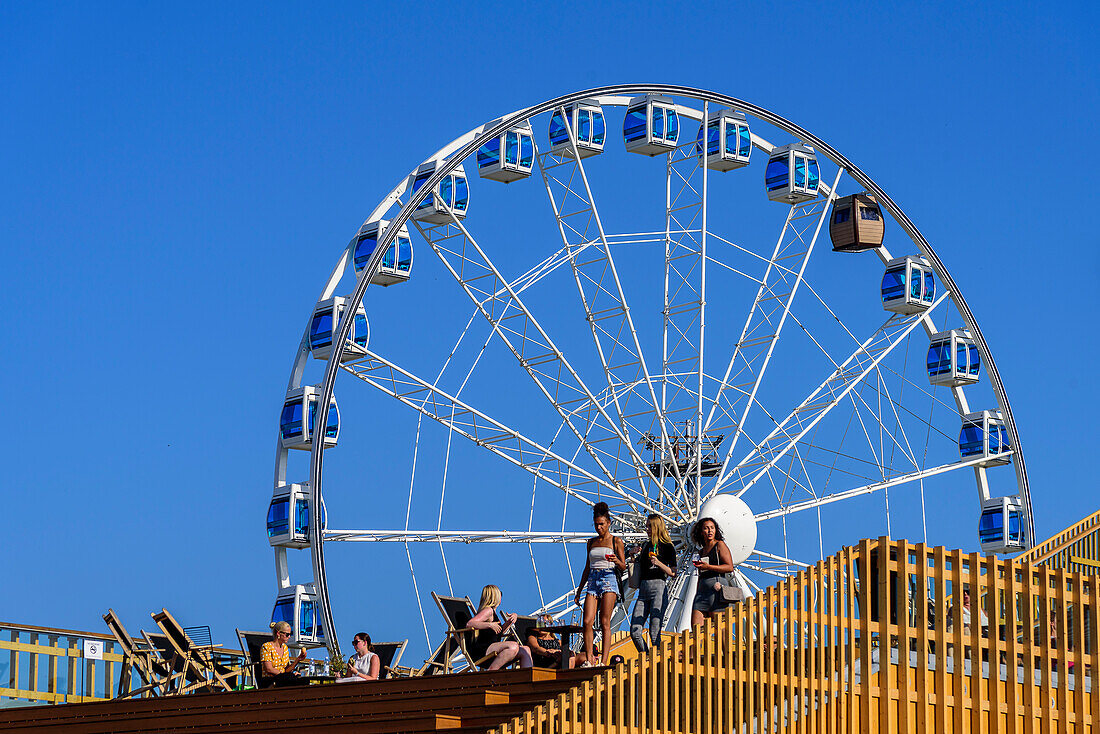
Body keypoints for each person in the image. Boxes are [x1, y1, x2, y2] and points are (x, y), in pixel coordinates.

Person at [574, 501, 626, 666]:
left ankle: (603, 660)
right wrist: (579, 590)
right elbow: (587, 567)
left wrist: (616, 560)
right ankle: (589, 659)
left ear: (609, 523)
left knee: (605, 622)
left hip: (609, 579)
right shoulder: (591, 542)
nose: (599, 528)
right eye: (596, 525)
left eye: (602, 524)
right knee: (587, 621)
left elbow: (624, 566)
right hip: (593, 581)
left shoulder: (616, 541)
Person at [629, 513, 677, 652]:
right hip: (643, 589)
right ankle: (647, 657)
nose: (647, 529)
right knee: (635, 631)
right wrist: (632, 556)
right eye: (646, 526)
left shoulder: (667, 547)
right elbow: (638, 569)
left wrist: (659, 563)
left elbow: (673, 572)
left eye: (650, 526)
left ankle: (656, 664)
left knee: (654, 631)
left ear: (657, 527)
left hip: (659, 588)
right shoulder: (645, 546)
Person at [466, 584, 533, 670]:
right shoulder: (488, 610)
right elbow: (470, 624)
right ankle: (491, 672)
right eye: (500, 594)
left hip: (492, 648)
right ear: (496, 596)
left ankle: (528, 680)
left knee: (525, 650)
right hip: (483, 650)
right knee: (513, 646)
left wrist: (510, 621)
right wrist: (489, 625)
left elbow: (499, 632)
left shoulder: (493, 612)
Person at [690, 517, 734, 627]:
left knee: (721, 629)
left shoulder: (720, 545)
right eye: (706, 528)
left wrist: (709, 566)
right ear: (701, 532)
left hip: (717, 589)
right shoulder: (701, 552)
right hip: (702, 592)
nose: (710, 531)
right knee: (696, 629)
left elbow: (729, 567)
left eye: (712, 528)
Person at [259, 620, 307, 688]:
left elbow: (287, 670)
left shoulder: (285, 648)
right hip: (270, 680)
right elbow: (269, 669)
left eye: (290, 634)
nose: (289, 636)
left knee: (303, 680)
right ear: (278, 633)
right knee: (291, 679)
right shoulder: (266, 647)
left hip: (283, 678)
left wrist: (298, 659)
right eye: (287, 634)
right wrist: (284, 675)